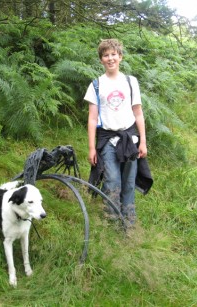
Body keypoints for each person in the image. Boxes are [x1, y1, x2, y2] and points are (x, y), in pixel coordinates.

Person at [84, 38, 148, 227]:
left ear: (120, 57)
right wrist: (91, 148)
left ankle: (128, 220)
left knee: (128, 181)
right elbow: (92, 118)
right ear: (101, 60)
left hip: (130, 139)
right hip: (108, 140)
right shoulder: (96, 85)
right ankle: (111, 220)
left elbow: (138, 112)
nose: (110, 58)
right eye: (106, 55)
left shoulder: (131, 82)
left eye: (113, 54)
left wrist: (142, 141)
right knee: (112, 180)